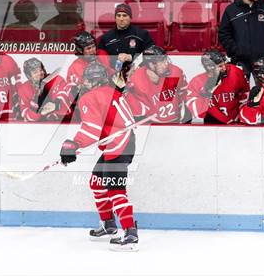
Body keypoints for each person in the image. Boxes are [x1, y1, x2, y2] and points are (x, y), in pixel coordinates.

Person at [59, 62, 138, 252]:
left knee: (116, 189)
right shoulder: (111, 91)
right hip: (123, 142)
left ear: (94, 81)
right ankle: (109, 224)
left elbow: (91, 130)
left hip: (118, 145)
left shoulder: (90, 96)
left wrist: (73, 145)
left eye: (86, 79)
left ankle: (130, 234)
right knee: (97, 182)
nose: (83, 82)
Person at [126, 45, 190, 123]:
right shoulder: (135, 79)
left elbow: (184, 94)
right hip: (149, 125)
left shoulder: (174, 72)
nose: (166, 64)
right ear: (151, 64)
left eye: (165, 59)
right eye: (161, 61)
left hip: (177, 122)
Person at [186, 49, 250, 124]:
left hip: (235, 119)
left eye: (224, 64)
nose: (224, 68)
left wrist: (240, 116)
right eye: (220, 66)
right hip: (214, 121)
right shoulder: (198, 82)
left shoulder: (235, 72)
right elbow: (194, 107)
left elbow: (244, 95)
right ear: (209, 68)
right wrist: (205, 99)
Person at [98, 3, 154, 79]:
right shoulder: (106, 38)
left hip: (139, 76)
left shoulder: (142, 34)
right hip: (114, 79)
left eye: (124, 15)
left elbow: (153, 55)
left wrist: (131, 57)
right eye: (118, 15)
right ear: (115, 18)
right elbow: (101, 61)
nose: (121, 19)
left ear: (130, 17)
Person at [18, 57, 70, 122]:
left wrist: (55, 105)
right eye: (35, 72)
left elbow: (66, 104)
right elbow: (25, 113)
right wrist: (39, 111)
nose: (40, 73)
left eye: (40, 70)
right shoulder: (23, 89)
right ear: (29, 76)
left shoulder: (57, 80)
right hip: (37, 128)